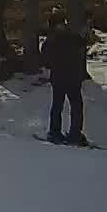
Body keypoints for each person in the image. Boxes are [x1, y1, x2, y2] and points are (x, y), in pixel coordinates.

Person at [40, 17, 90, 146]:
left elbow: (46, 61)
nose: (62, 26)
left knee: (69, 106)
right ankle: (64, 133)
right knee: (64, 106)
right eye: (60, 24)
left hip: (66, 78)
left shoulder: (56, 40)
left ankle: (67, 133)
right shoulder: (65, 39)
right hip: (66, 77)